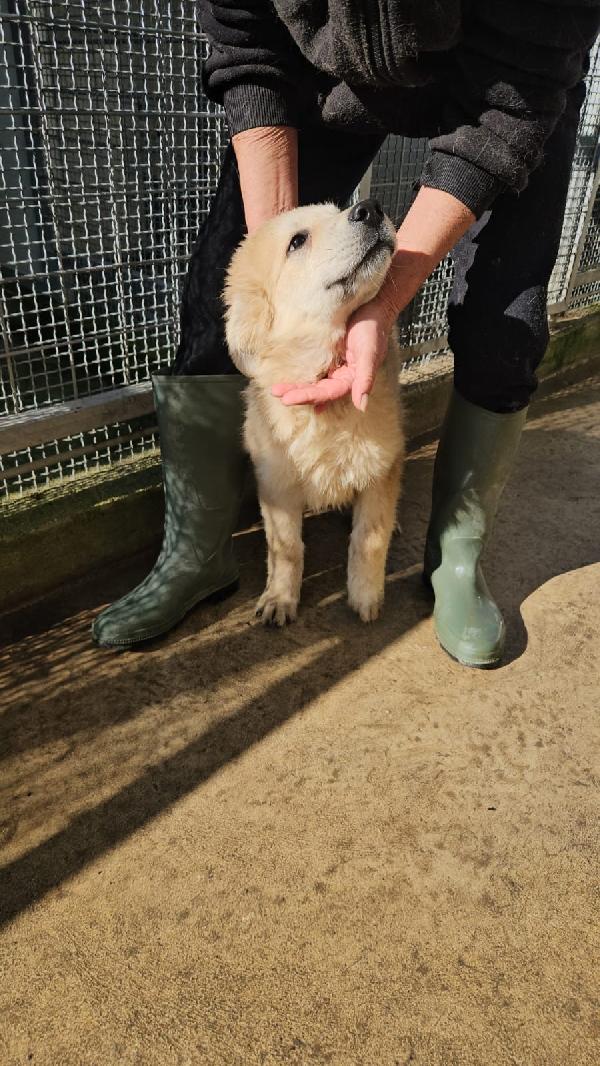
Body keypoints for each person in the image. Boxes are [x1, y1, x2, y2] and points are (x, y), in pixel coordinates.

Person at [93, 1, 600, 666]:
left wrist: (382, 305)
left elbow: (520, 91)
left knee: (508, 319)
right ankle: (199, 548)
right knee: (221, 282)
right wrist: (276, 264)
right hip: (329, 73)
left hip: (505, 93)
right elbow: (248, 49)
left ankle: (454, 558)